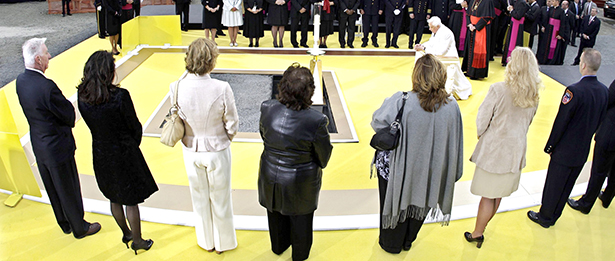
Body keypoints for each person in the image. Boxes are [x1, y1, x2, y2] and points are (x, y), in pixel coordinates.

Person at [371, 54, 463, 253]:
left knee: (393, 199)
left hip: (398, 168)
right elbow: (455, 140)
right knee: (421, 202)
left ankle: (391, 244)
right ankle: (408, 240)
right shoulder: (452, 106)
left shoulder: (401, 100)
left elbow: (377, 123)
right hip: (432, 167)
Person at [15, 38, 101, 239]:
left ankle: (64, 223)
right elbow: (69, 116)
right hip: (57, 147)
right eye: (46, 53)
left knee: (53, 189)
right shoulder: (47, 87)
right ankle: (80, 227)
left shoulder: (21, 81)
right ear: (38, 59)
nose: (49, 56)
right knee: (68, 187)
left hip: (40, 145)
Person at [77, 51, 158, 254]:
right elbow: (134, 127)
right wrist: (131, 145)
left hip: (100, 152)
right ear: (108, 72)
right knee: (131, 200)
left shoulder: (82, 96)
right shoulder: (120, 97)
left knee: (114, 197)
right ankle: (138, 241)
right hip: (123, 153)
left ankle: (126, 233)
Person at [465, 47, 542, 248]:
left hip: (494, 150)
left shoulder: (499, 89)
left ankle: (477, 233)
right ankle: (482, 228)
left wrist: (482, 136)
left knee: (487, 195)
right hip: (515, 150)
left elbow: (483, 119)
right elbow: (529, 122)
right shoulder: (534, 95)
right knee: (497, 193)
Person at [258, 63, 333, 261]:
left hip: (269, 175)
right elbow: (323, 157)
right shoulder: (316, 120)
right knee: (301, 225)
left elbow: (264, 137)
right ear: (309, 92)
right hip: (300, 182)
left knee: (274, 217)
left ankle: (278, 247)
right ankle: (299, 256)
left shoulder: (267, 108)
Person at [171, 38, 239, 253]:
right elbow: (232, 122)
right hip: (217, 149)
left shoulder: (176, 86)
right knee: (221, 198)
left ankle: (206, 241)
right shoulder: (222, 87)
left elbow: (176, 116)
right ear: (212, 60)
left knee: (198, 197)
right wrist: (226, 137)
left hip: (190, 149)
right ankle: (223, 243)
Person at [528, 48, 608, 228]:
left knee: (554, 184)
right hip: (582, 149)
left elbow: (561, 121)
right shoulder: (604, 91)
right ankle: (555, 214)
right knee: (567, 185)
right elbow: (600, 120)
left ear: (583, 64)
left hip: (565, 149)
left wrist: (551, 145)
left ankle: (545, 216)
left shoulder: (574, 91)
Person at [568, 79, 615, 214]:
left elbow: (608, 100)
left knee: (599, 171)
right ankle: (607, 197)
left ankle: (586, 203)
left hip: (610, 133)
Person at [414, 16, 472, 100]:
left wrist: (424, 49)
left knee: (458, 80)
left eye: (431, 27)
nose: (429, 29)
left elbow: (441, 51)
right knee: (419, 53)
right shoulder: (436, 30)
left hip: (448, 57)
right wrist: (422, 45)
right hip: (441, 55)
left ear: (437, 26)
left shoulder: (446, 33)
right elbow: (431, 42)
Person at [461, 0, 495, 80]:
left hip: (481, 29)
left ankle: (476, 73)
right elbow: (468, 13)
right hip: (471, 28)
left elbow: (487, 17)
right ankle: (469, 70)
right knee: (470, 50)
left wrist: (476, 27)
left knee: (478, 49)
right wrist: (469, 24)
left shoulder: (487, 2)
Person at [536, 0, 568, 65]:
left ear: (557, 2)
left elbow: (562, 24)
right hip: (549, 30)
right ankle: (544, 59)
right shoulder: (551, 9)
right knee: (546, 45)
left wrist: (560, 34)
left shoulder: (561, 11)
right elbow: (547, 19)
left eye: (554, 1)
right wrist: (544, 26)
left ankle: (552, 60)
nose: (552, 2)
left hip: (555, 31)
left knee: (553, 46)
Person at [501, 0, 529, 66]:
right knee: (510, 42)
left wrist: (511, 11)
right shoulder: (517, 2)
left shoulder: (522, 3)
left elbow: (518, 16)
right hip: (513, 24)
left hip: (517, 26)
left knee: (514, 43)